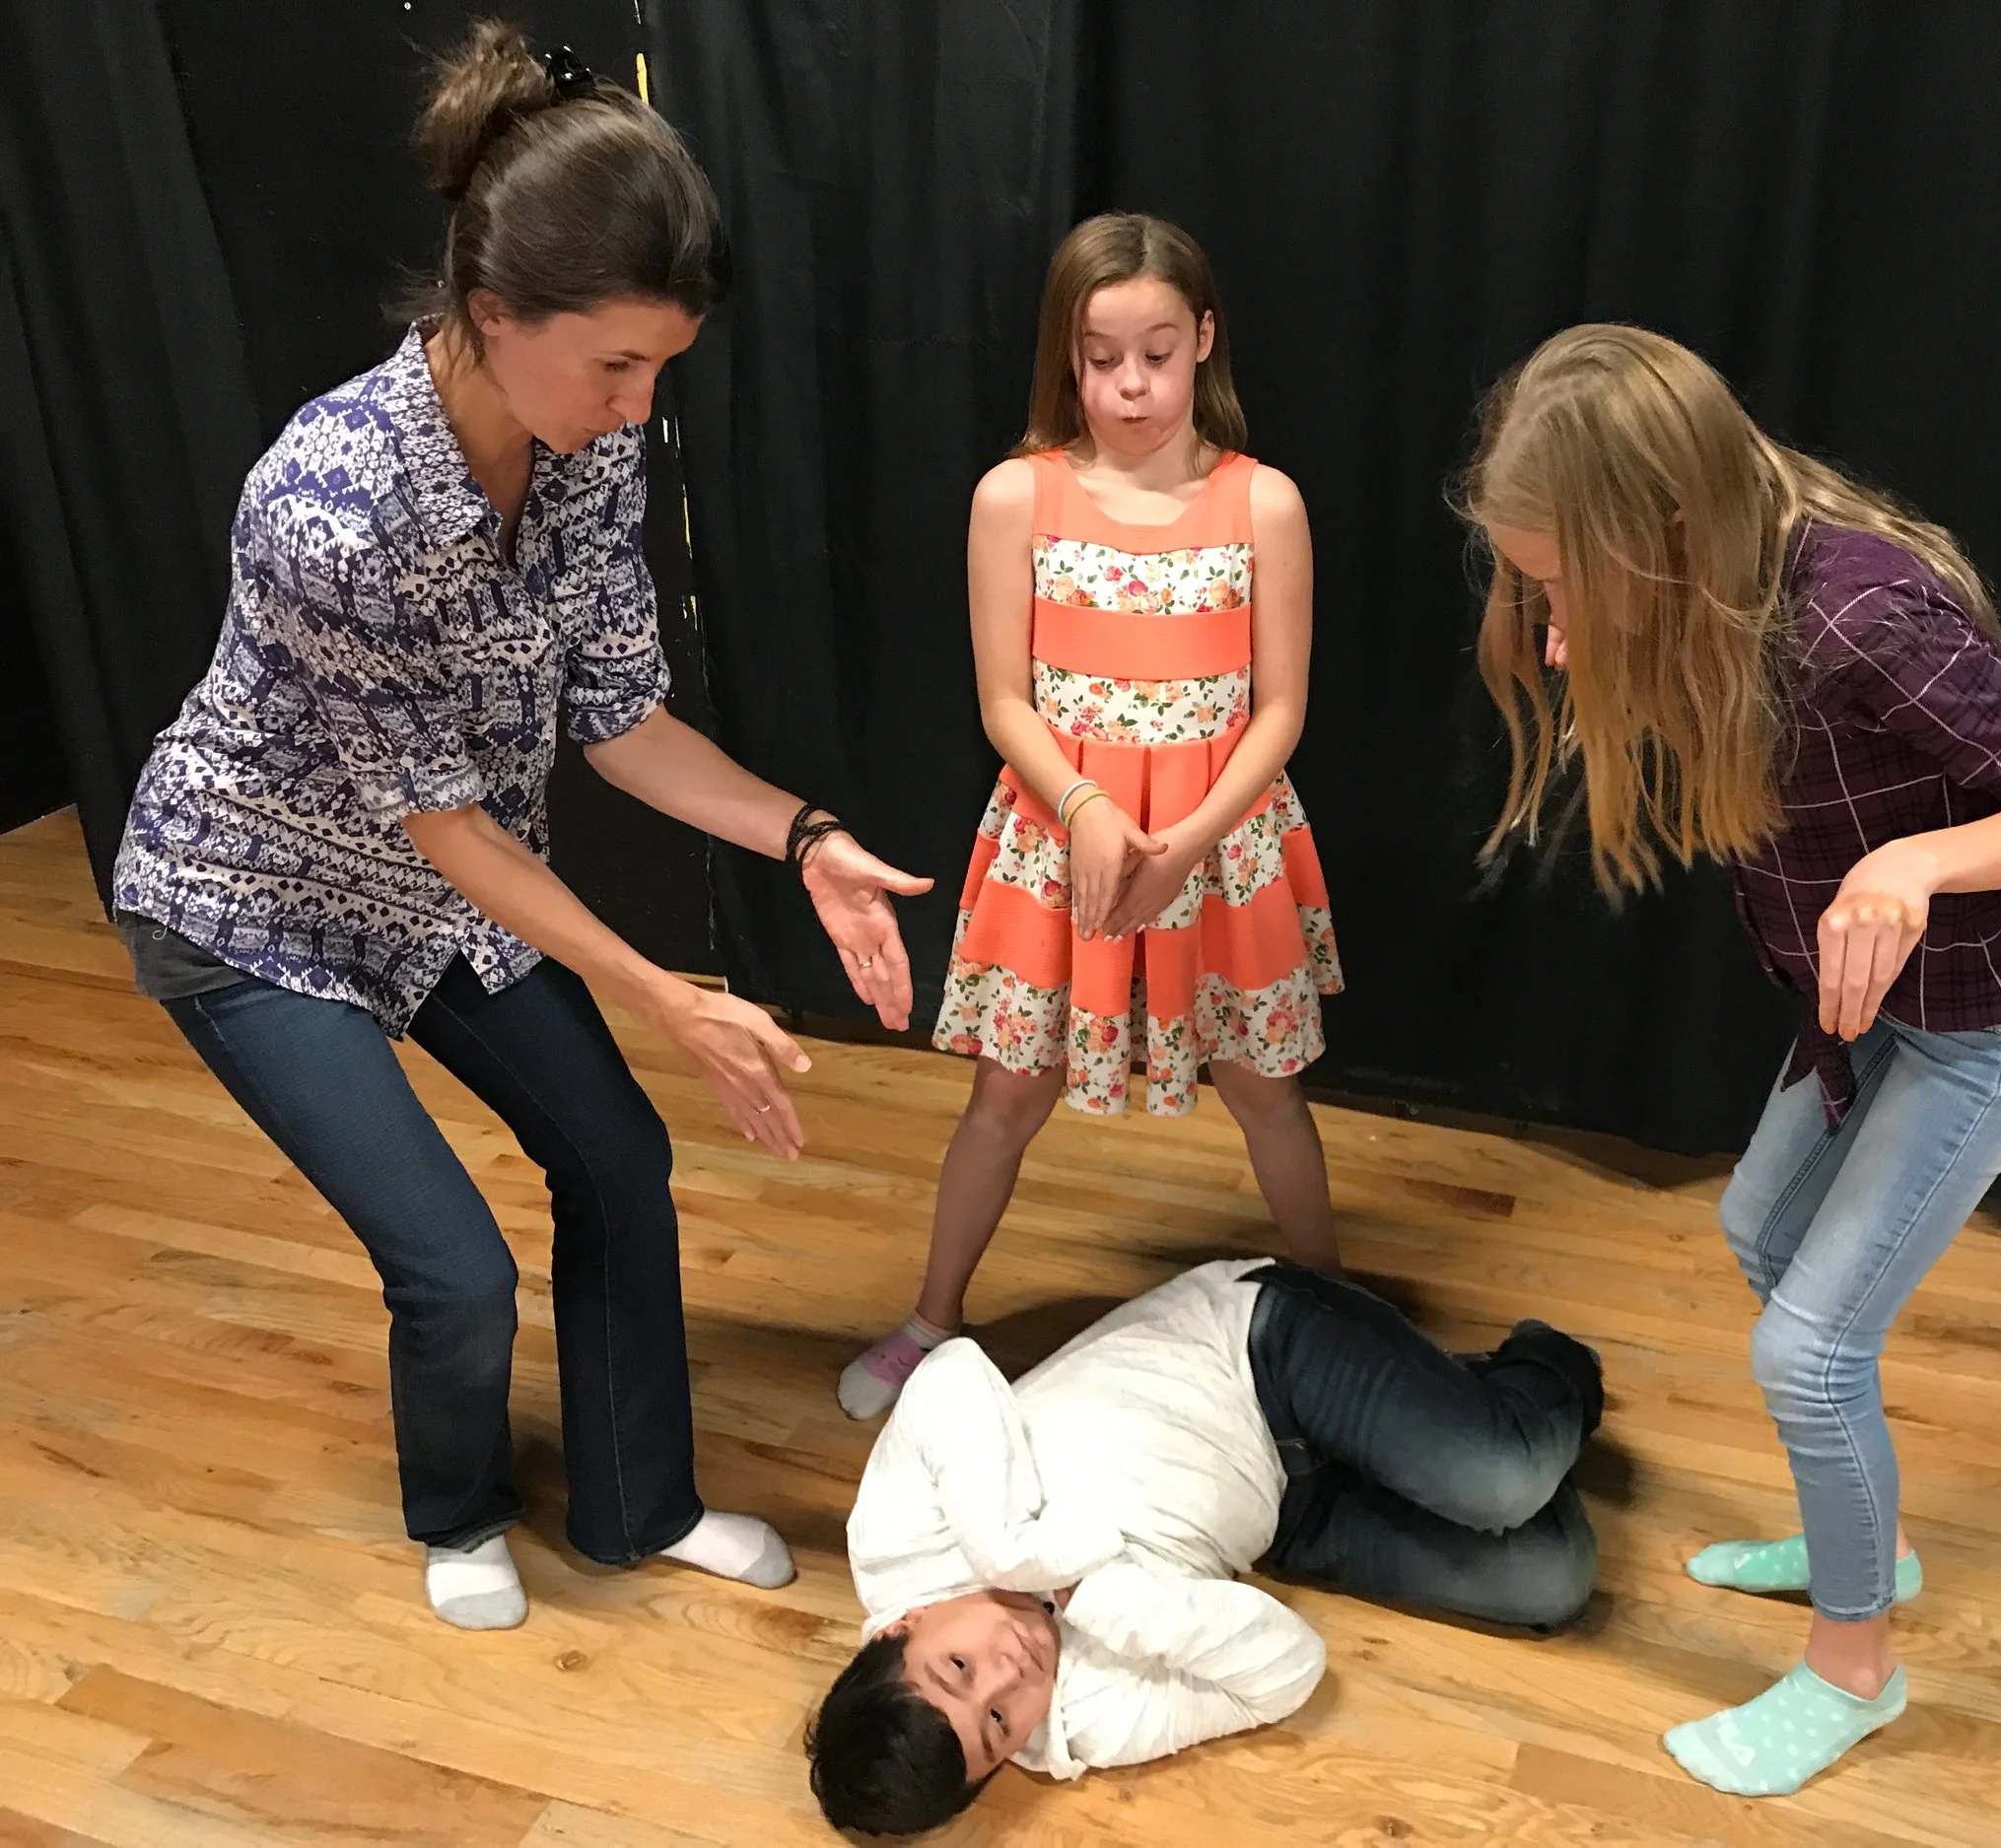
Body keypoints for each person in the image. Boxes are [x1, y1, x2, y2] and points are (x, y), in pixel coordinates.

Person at [109, 22, 932, 1632]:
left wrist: (808, 836)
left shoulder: (582, 458)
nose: (637, 406)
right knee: (456, 1267)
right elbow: (446, 826)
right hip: (248, 900)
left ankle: (641, 1506)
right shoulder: (332, 503)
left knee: (616, 1155)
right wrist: (669, 994)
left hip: (436, 886)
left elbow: (625, 725)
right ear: (493, 314)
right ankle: (458, 1507)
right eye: (615, 365)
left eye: (659, 369)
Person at [1461, 325, 2001, 1796]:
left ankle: (1856, 1666)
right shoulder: (1711, 581)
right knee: (1760, 1232)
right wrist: (1600, 632)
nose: (1553, 631)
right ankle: (1870, 1538)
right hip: (1875, 1010)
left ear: (1661, 525)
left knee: (1809, 1349)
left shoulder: (1859, 619)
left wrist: (1913, 863)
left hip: (1999, 1016)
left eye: (1565, 584)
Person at [837, 214, 1346, 1420]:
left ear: (1203, 340)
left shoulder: (1264, 503)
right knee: (1006, 1096)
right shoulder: (1016, 495)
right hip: (1059, 844)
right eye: (1102, 357)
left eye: (1156, 355)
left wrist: (1190, 842)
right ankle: (932, 1316)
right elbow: (1003, 700)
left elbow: (1279, 710)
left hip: (1221, 848)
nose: (1130, 386)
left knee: (1265, 1086)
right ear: (1065, 356)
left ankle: (1339, 1321)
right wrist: (1085, 809)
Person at [808, 1258, 1603, 1835]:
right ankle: (1445, 1410)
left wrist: (1008, 1551)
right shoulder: (1090, 1723)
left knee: (1504, 1476)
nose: (1010, 1674)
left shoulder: (896, 1544)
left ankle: (1545, 1372)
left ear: (900, 1626)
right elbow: (1289, 1670)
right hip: (1281, 1511)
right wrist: (1098, 1598)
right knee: (1551, 1579)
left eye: (957, 1667)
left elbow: (952, 1372)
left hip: (1252, 1349)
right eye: (998, 1723)